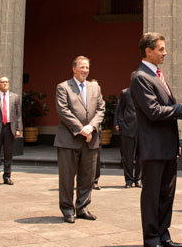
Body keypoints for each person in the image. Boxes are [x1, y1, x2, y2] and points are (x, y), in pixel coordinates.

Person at [129, 32, 182, 247]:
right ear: (148, 51)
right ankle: (151, 239)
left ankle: (164, 234)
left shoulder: (157, 75)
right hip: (153, 148)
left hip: (167, 147)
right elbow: (153, 111)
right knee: (152, 194)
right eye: (161, 49)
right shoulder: (140, 77)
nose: (165, 53)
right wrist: (181, 109)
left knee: (167, 194)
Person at [55, 56, 105, 223]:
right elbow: (63, 110)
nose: (85, 70)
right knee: (67, 178)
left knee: (87, 177)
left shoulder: (95, 88)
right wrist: (81, 129)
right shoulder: (63, 87)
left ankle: (82, 207)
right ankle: (68, 209)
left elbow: (101, 110)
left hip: (91, 139)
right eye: (82, 67)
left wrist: (91, 127)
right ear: (74, 69)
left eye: (87, 67)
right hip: (69, 140)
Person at [115, 74, 141, 188]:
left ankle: (138, 179)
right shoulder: (125, 93)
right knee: (128, 157)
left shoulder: (145, 93)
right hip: (128, 129)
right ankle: (129, 180)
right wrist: (122, 124)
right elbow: (121, 110)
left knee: (140, 157)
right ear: (131, 79)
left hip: (142, 130)